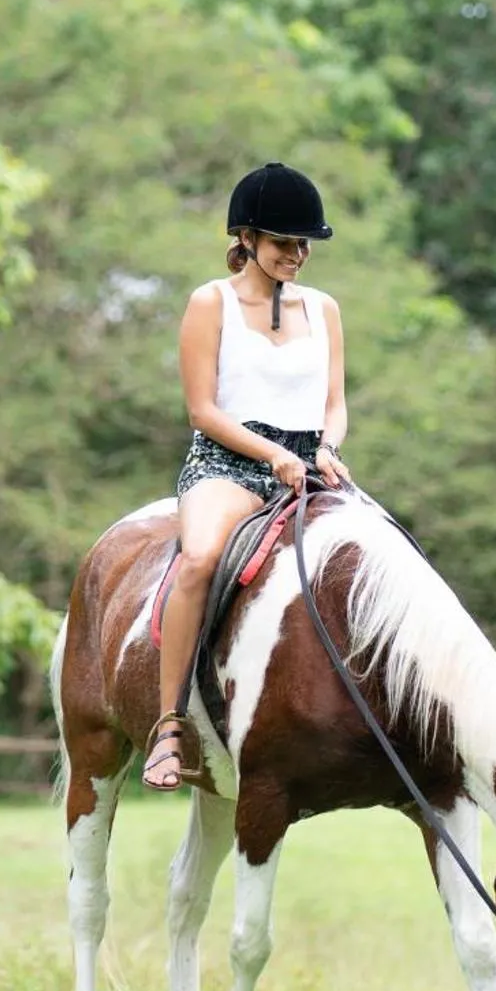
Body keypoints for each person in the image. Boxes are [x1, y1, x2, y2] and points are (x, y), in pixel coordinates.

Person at [142, 161, 352, 790]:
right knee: (201, 558)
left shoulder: (326, 309)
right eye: (285, 243)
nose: (299, 254)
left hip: (309, 464)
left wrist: (324, 446)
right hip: (227, 462)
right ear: (248, 239)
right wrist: (272, 455)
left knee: (382, 556)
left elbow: (335, 402)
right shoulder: (212, 303)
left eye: (304, 243)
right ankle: (169, 724)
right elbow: (202, 409)